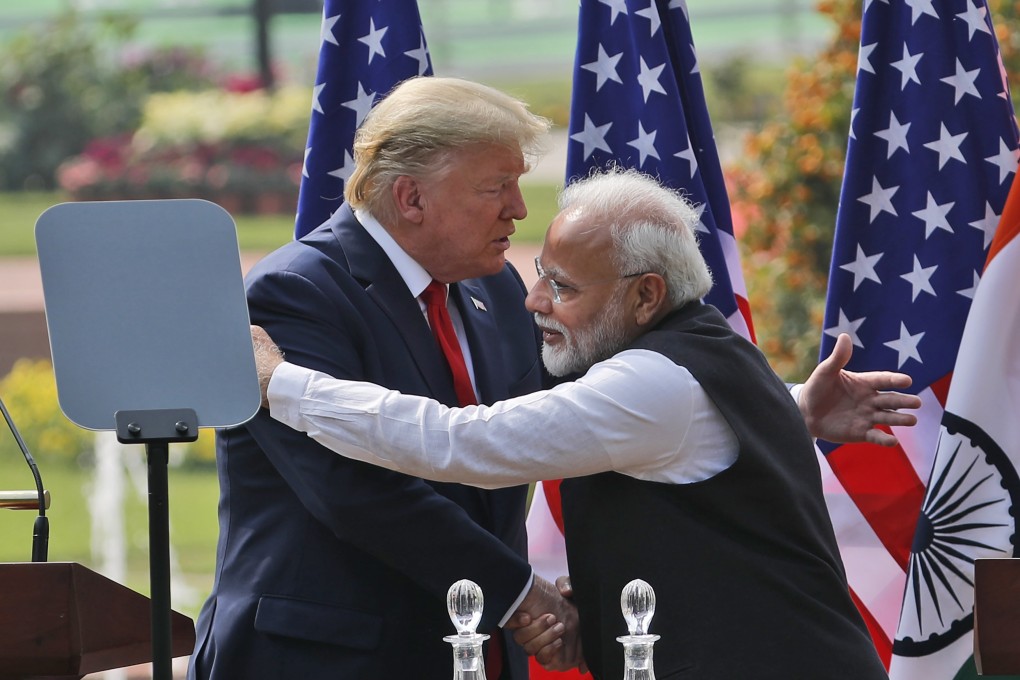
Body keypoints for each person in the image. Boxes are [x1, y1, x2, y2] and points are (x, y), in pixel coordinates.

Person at [251, 168, 918, 679]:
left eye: (563, 287)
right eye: (541, 275)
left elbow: (462, 442)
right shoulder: (698, 355)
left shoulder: (651, 383)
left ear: (646, 295)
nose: (533, 301)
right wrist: (791, 407)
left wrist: (282, 384)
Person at [188, 76, 580, 680]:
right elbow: (355, 489)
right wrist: (520, 594)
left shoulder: (496, 285)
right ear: (411, 198)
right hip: (327, 660)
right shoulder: (295, 293)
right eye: (496, 187)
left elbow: (551, 427)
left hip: (475, 651)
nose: (519, 208)